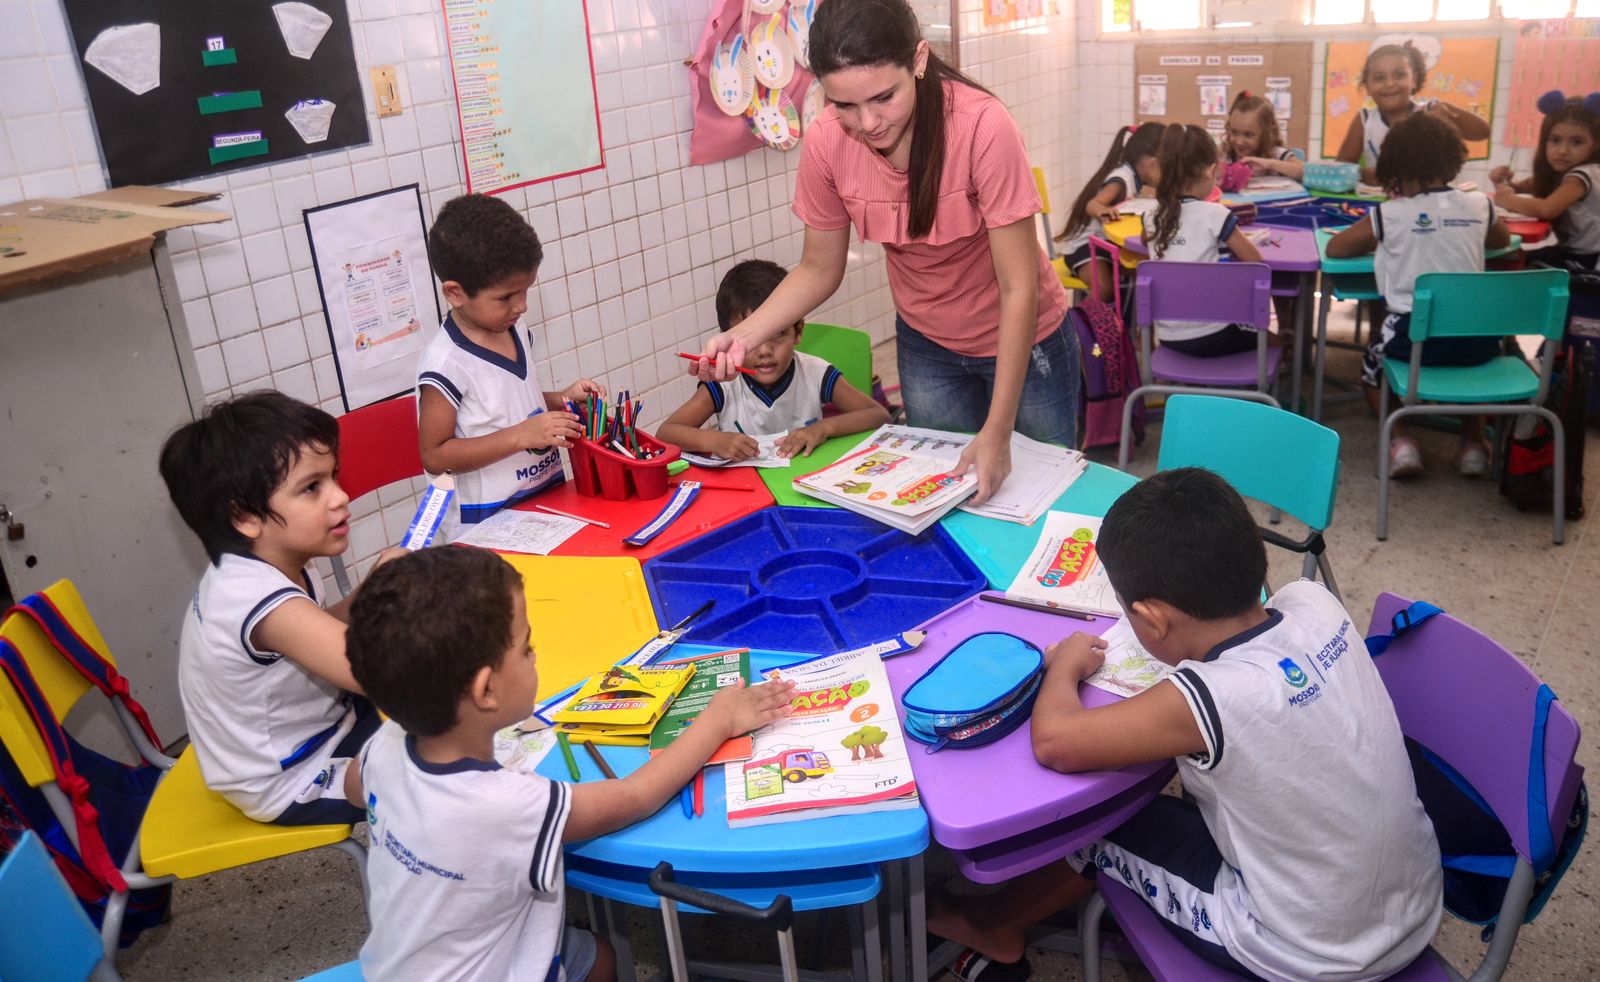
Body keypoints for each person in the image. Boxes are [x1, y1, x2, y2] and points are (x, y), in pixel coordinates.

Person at [928, 468, 1442, 981]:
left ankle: (991, 922)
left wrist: (1064, 664)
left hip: (1308, 948)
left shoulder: (1207, 698)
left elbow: (1056, 742)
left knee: (1093, 826)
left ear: (1153, 619)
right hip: (1414, 900)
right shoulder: (1314, 603)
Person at [688, 0, 1078, 504]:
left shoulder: (982, 126)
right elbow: (818, 268)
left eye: (883, 97)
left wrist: (998, 431)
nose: (868, 122)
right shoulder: (828, 139)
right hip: (927, 344)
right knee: (946, 494)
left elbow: (1018, 285)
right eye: (844, 104)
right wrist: (739, 338)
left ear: (918, 60)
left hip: (1027, 341)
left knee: (1040, 493)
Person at [343, 547, 794, 981]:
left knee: (597, 956)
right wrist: (718, 720)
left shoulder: (387, 741)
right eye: (525, 648)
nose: (535, 656)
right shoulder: (507, 807)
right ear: (485, 691)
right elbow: (634, 796)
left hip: (399, 966)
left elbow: (353, 787)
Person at [158, 391, 400, 824]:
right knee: (441, 774)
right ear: (244, 517)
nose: (341, 496)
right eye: (312, 488)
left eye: (333, 477)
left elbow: (318, 631)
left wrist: (370, 591)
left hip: (328, 724)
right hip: (292, 778)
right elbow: (380, 674)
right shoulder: (255, 597)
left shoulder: (278, 563)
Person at [1328, 112, 1511, 478]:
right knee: (1467, 358)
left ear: (1396, 166)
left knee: (1371, 370)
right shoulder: (1480, 205)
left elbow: (1336, 248)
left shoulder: (1391, 213)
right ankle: (1473, 443)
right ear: (1452, 160)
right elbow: (1501, 241)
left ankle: (1403, 440)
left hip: (1413, 342)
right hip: (1477, 341)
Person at [416, 193, 605, 524]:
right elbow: (435, 454)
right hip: (487, 523)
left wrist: (559, 401)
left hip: (544, 500)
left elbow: (508, 405)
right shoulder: (446, 363)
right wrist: (522, 435)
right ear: (455, 293)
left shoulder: (514, 327)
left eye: (526, 290)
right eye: (506, 297)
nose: (521, 306)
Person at [657, 259, 890, 461]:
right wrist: (713, 440)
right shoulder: (724, 385)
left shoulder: (815, 373)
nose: (765, 351)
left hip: (803, 487)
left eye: (778, 334)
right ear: (731, 339)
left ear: (798, 332)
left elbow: (878, 415)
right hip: (747, 495)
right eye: (751, 340)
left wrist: (823, 428)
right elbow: (666, 432)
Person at [1145, 124, 1273, 359]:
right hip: (1216, 335)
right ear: (1210, 171)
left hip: (1168, 338)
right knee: (1276, 340)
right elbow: (1257, 264)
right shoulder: (1216, 215)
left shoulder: (1150, 218)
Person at [1335, 42, 1491, 183]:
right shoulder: (1365, 120)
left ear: (1414, 79)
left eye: (1399, 75)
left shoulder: (1430, 113)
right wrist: (1365, 174)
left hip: (1428, 206)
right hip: (1380, 204)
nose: (1389, 84)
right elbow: (1342, 167)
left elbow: (1483, 131)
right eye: (1379, 78)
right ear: (1367, 86)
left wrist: (1445, 114)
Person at [1491, 90, 1600, 269]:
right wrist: (1504, 183)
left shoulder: (1581, 176)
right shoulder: (1564, 171)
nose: (1563, 150)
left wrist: (1507, 199)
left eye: (1576, 142)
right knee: (1511, 259)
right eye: (1555, 140)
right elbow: (1523, 188)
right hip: (1572, 253)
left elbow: (1546, 209)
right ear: (1544, 141)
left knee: (1511, 265)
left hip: (1588, 263)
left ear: (1595, 145)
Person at [1056, 124, 1165, 302]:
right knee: (1104, 289)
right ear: (1152, 163)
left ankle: (1126, 326)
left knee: (1144, 272)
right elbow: (1093, 204)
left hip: (1107, 244)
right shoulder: (1122, 179)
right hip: (1084, 247)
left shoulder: (1133, 177)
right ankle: (1079, 325)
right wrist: (1104, 211)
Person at [1222, 91, 1303, 182]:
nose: (1239, 142)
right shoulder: (1226, 156)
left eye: (1248, 135)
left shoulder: (1277, 154)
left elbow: (1306, 172)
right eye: (1234, 132)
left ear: (1266, 134)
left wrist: (1269, 164)